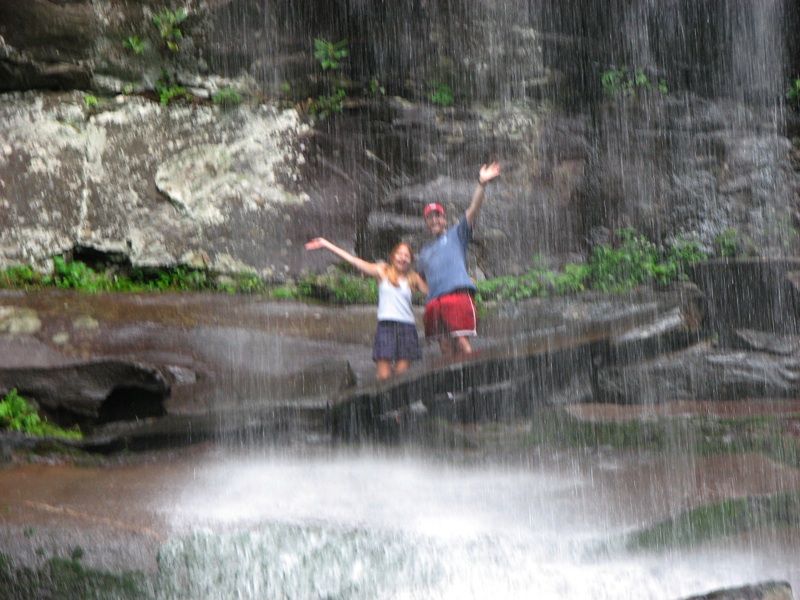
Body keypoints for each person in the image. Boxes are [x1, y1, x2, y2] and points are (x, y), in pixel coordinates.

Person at [304, 237, 428, 380]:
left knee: (402, 377)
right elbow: (355, 261)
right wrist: (327, 245)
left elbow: (432, 292)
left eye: (406, 255)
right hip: (386, 326)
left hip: (407, 328)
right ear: (393, 256)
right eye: (400, 254)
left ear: (410, 261)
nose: (403, 258)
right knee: (383, 377)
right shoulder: (383, 271)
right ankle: (382, 402)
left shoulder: (414, 278)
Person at [416, 162, 502, 360]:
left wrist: (482, 183)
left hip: (457, 296)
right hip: (435, 303)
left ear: (444, 219)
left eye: (438, 216)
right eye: (430, 218)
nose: (435, 221)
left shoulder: (457, 234)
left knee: (463, 343)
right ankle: (451, 390)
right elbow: (416, 277)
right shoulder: (424, 251)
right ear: (426, 224)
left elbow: (473, 209)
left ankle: (475, 383)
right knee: (445, 348)